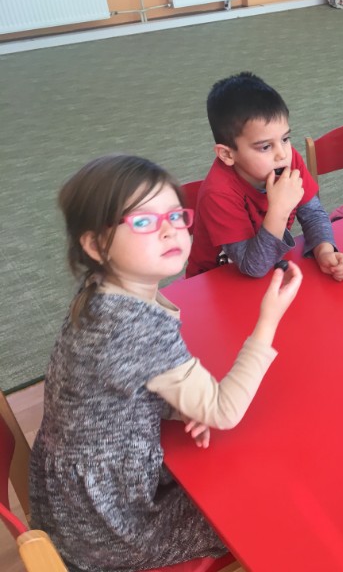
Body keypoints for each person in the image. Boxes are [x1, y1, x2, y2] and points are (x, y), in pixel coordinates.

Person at [29, 155, 303, 571]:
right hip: (109, 525)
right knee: (259, 503)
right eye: (143, 221)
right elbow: (224, 411)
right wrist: (268, 321)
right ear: (95, 245)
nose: (170, 229)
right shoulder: (134, 325)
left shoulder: (100, 293)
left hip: (74, 497)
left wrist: (179, 406)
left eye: (176, 215)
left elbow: (124, 381)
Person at [186, 71, 343, 280]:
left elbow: (313, 214)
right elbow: (253, 267)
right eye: (265, 147)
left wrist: (324, 250)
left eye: (285, 139)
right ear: (227, 154)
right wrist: (279, 210)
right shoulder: (218, 193)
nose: (282, 154)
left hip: (267, 269)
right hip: (213, 282)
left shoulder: (287, 159)